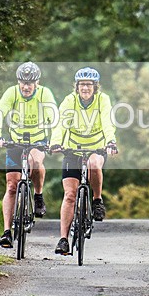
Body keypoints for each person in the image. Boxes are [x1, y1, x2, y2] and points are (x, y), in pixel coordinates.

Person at [50, 67, 119, 255]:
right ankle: (63, 239)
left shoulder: (102, 100)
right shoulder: (69, 101)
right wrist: (56, 142)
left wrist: (110, 142)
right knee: (70, 195)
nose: (85, 88)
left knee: (94, 165)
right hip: (73, 149)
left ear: (95, 87)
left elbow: (107, 122)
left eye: (89, 85)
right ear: (77, 86)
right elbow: (61, 123)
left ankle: (97, 200)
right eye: (82, 85)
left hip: (97, 147)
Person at [0, 62, 57, 248]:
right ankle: (6, 232)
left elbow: (54, 117)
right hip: (15, 141)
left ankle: (38, 195)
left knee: (34, 161)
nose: (26, 87)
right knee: (12, 186)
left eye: (30, 83)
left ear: (37, 82)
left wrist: (55, 140)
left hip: (38, 140)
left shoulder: (45, 94)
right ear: (18, 81)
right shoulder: (11, 92)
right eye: (23, 82)